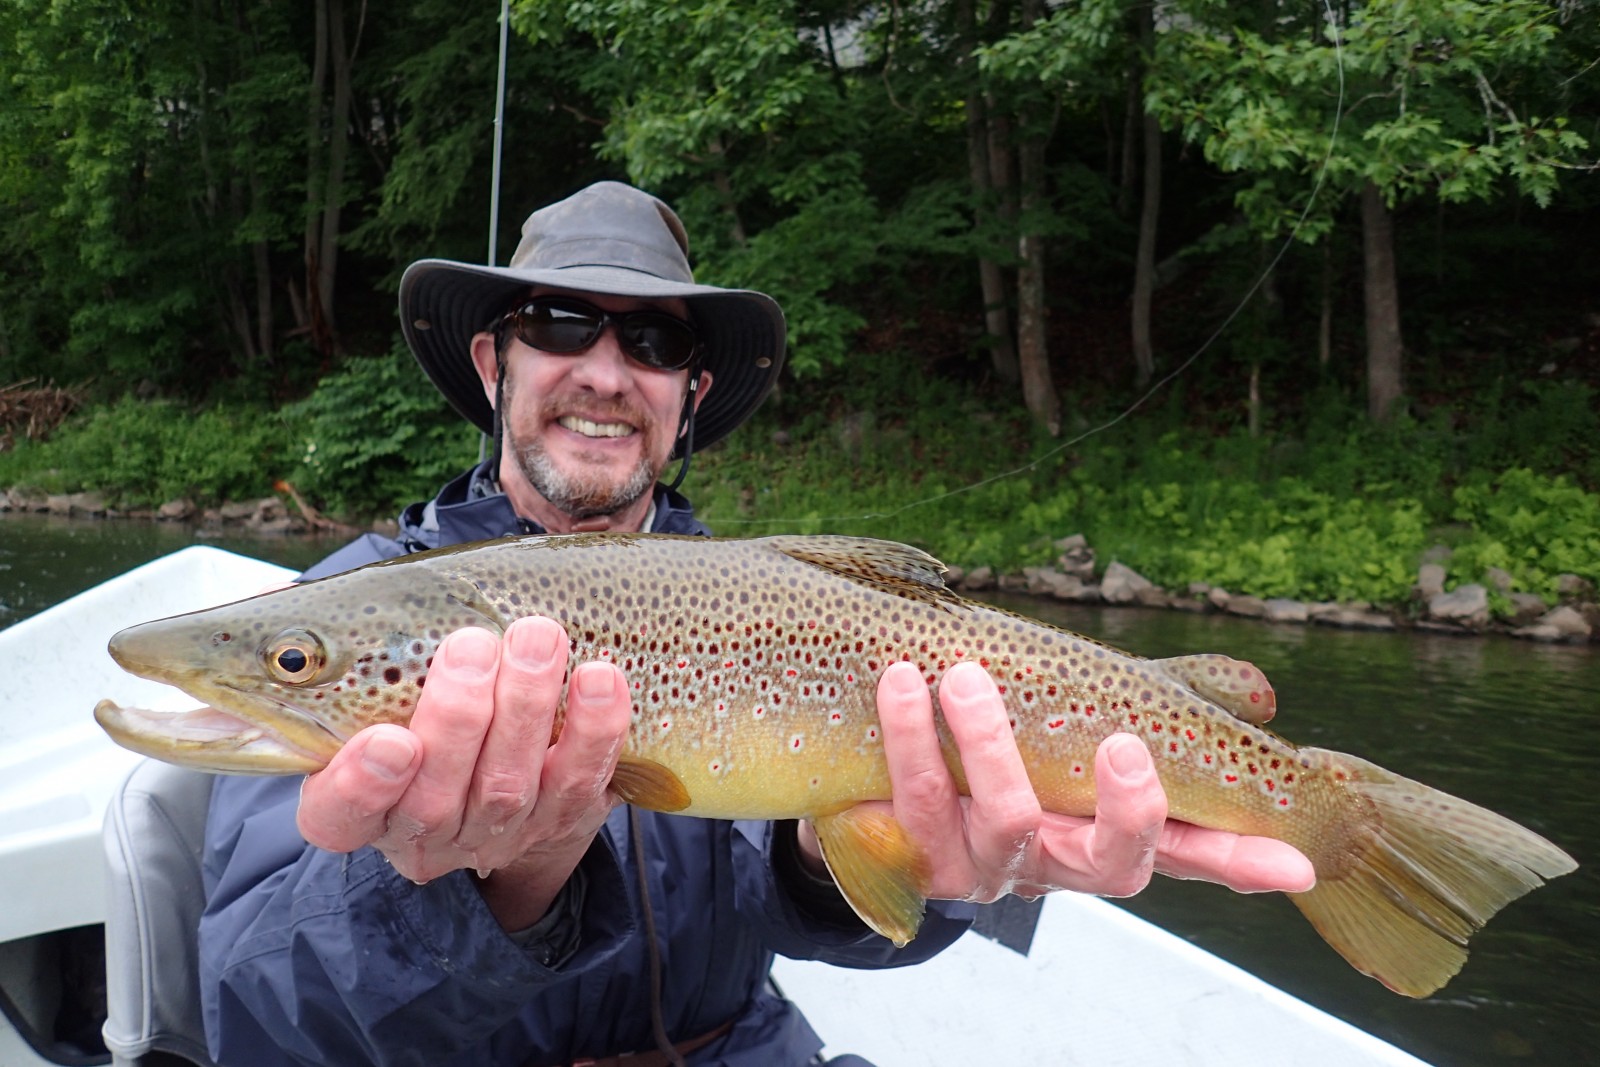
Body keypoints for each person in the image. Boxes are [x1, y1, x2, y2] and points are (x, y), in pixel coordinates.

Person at [198, 181, 1314, 1067]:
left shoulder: (764, 604)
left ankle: (1331, 815)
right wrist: (484, 884)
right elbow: (251, 1014)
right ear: (495, 361)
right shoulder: (342, 619)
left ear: (687, 394)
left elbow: (806, 904)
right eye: (562, 321)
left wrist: (863, 858)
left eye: (653, 344)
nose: (604, 368)